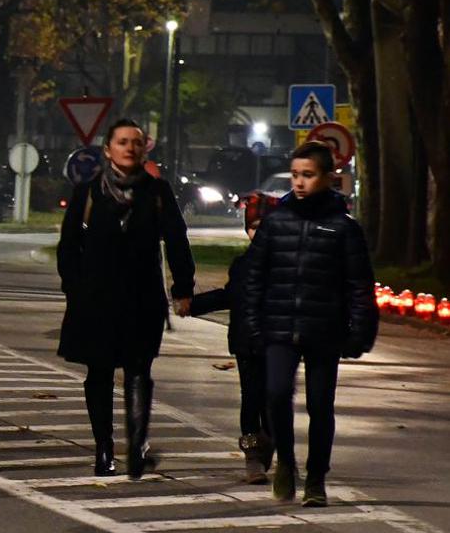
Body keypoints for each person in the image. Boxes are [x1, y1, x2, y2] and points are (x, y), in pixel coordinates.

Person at [238, 141, 378, 505]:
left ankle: (316, 478)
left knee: (320, 404)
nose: (299, 183)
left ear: (329, 178)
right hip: (279, 328)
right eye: (296, 175)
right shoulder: (275, 223)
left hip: (324, 330)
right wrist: (252, 326)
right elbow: (254, 277)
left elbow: (359, 284)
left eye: (308, 175)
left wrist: (360, 331)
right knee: (276, 393)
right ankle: (286, 460)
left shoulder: (344, 228)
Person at [56, 118, 194, 478]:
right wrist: (74, 288)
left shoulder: (158, 192)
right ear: (108, 150)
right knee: (98, 372)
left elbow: (178, 241)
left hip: (142, 298)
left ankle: (136, 446)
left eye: (136, 142)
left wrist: (183, 286)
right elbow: (69, 245)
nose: (130, 147)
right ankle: (104, 451)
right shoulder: (88, 192)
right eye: (122, 142)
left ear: (143, 147)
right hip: (96, 298)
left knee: (138, 369)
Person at [182, 191, 278, 484]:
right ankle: (252, 457)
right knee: (251, 397)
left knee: (273, 400)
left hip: (278, 343)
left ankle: (268, 446)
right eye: (253, 226)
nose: (258, 233)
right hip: (246, 342)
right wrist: (192, 304)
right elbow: (229, 296)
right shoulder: (242, 265)